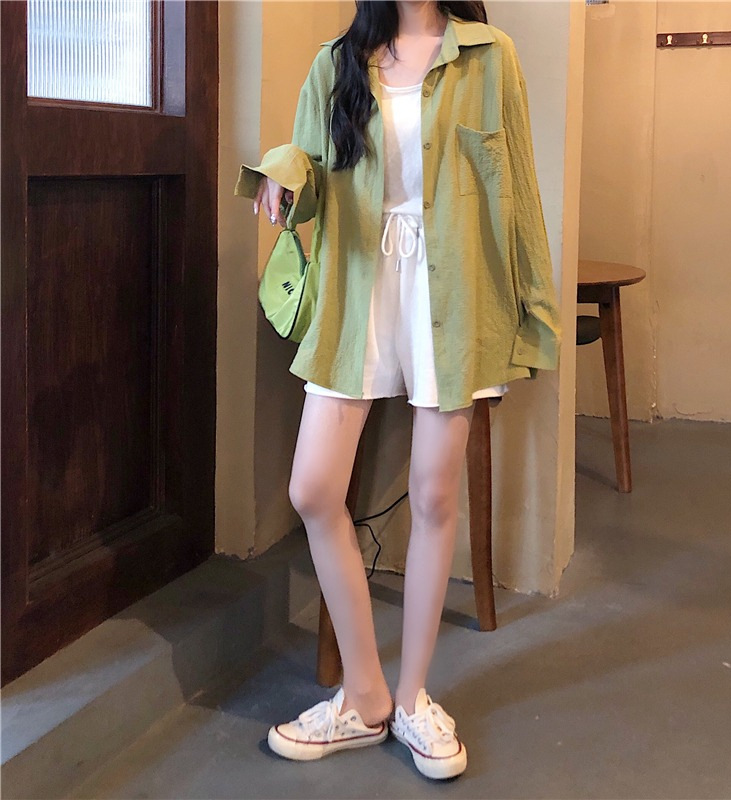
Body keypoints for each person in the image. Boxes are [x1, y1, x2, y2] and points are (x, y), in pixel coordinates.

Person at [235, 0, 562, 781]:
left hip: (455, 292)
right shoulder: (336, 62)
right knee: (314, 489)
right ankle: (365, 693)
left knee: (434, 495)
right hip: (359, 286)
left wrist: (531, 311)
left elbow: (516, 192)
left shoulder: (489, 57)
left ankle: (412, 697)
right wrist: (281, 178)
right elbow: (312, 175)